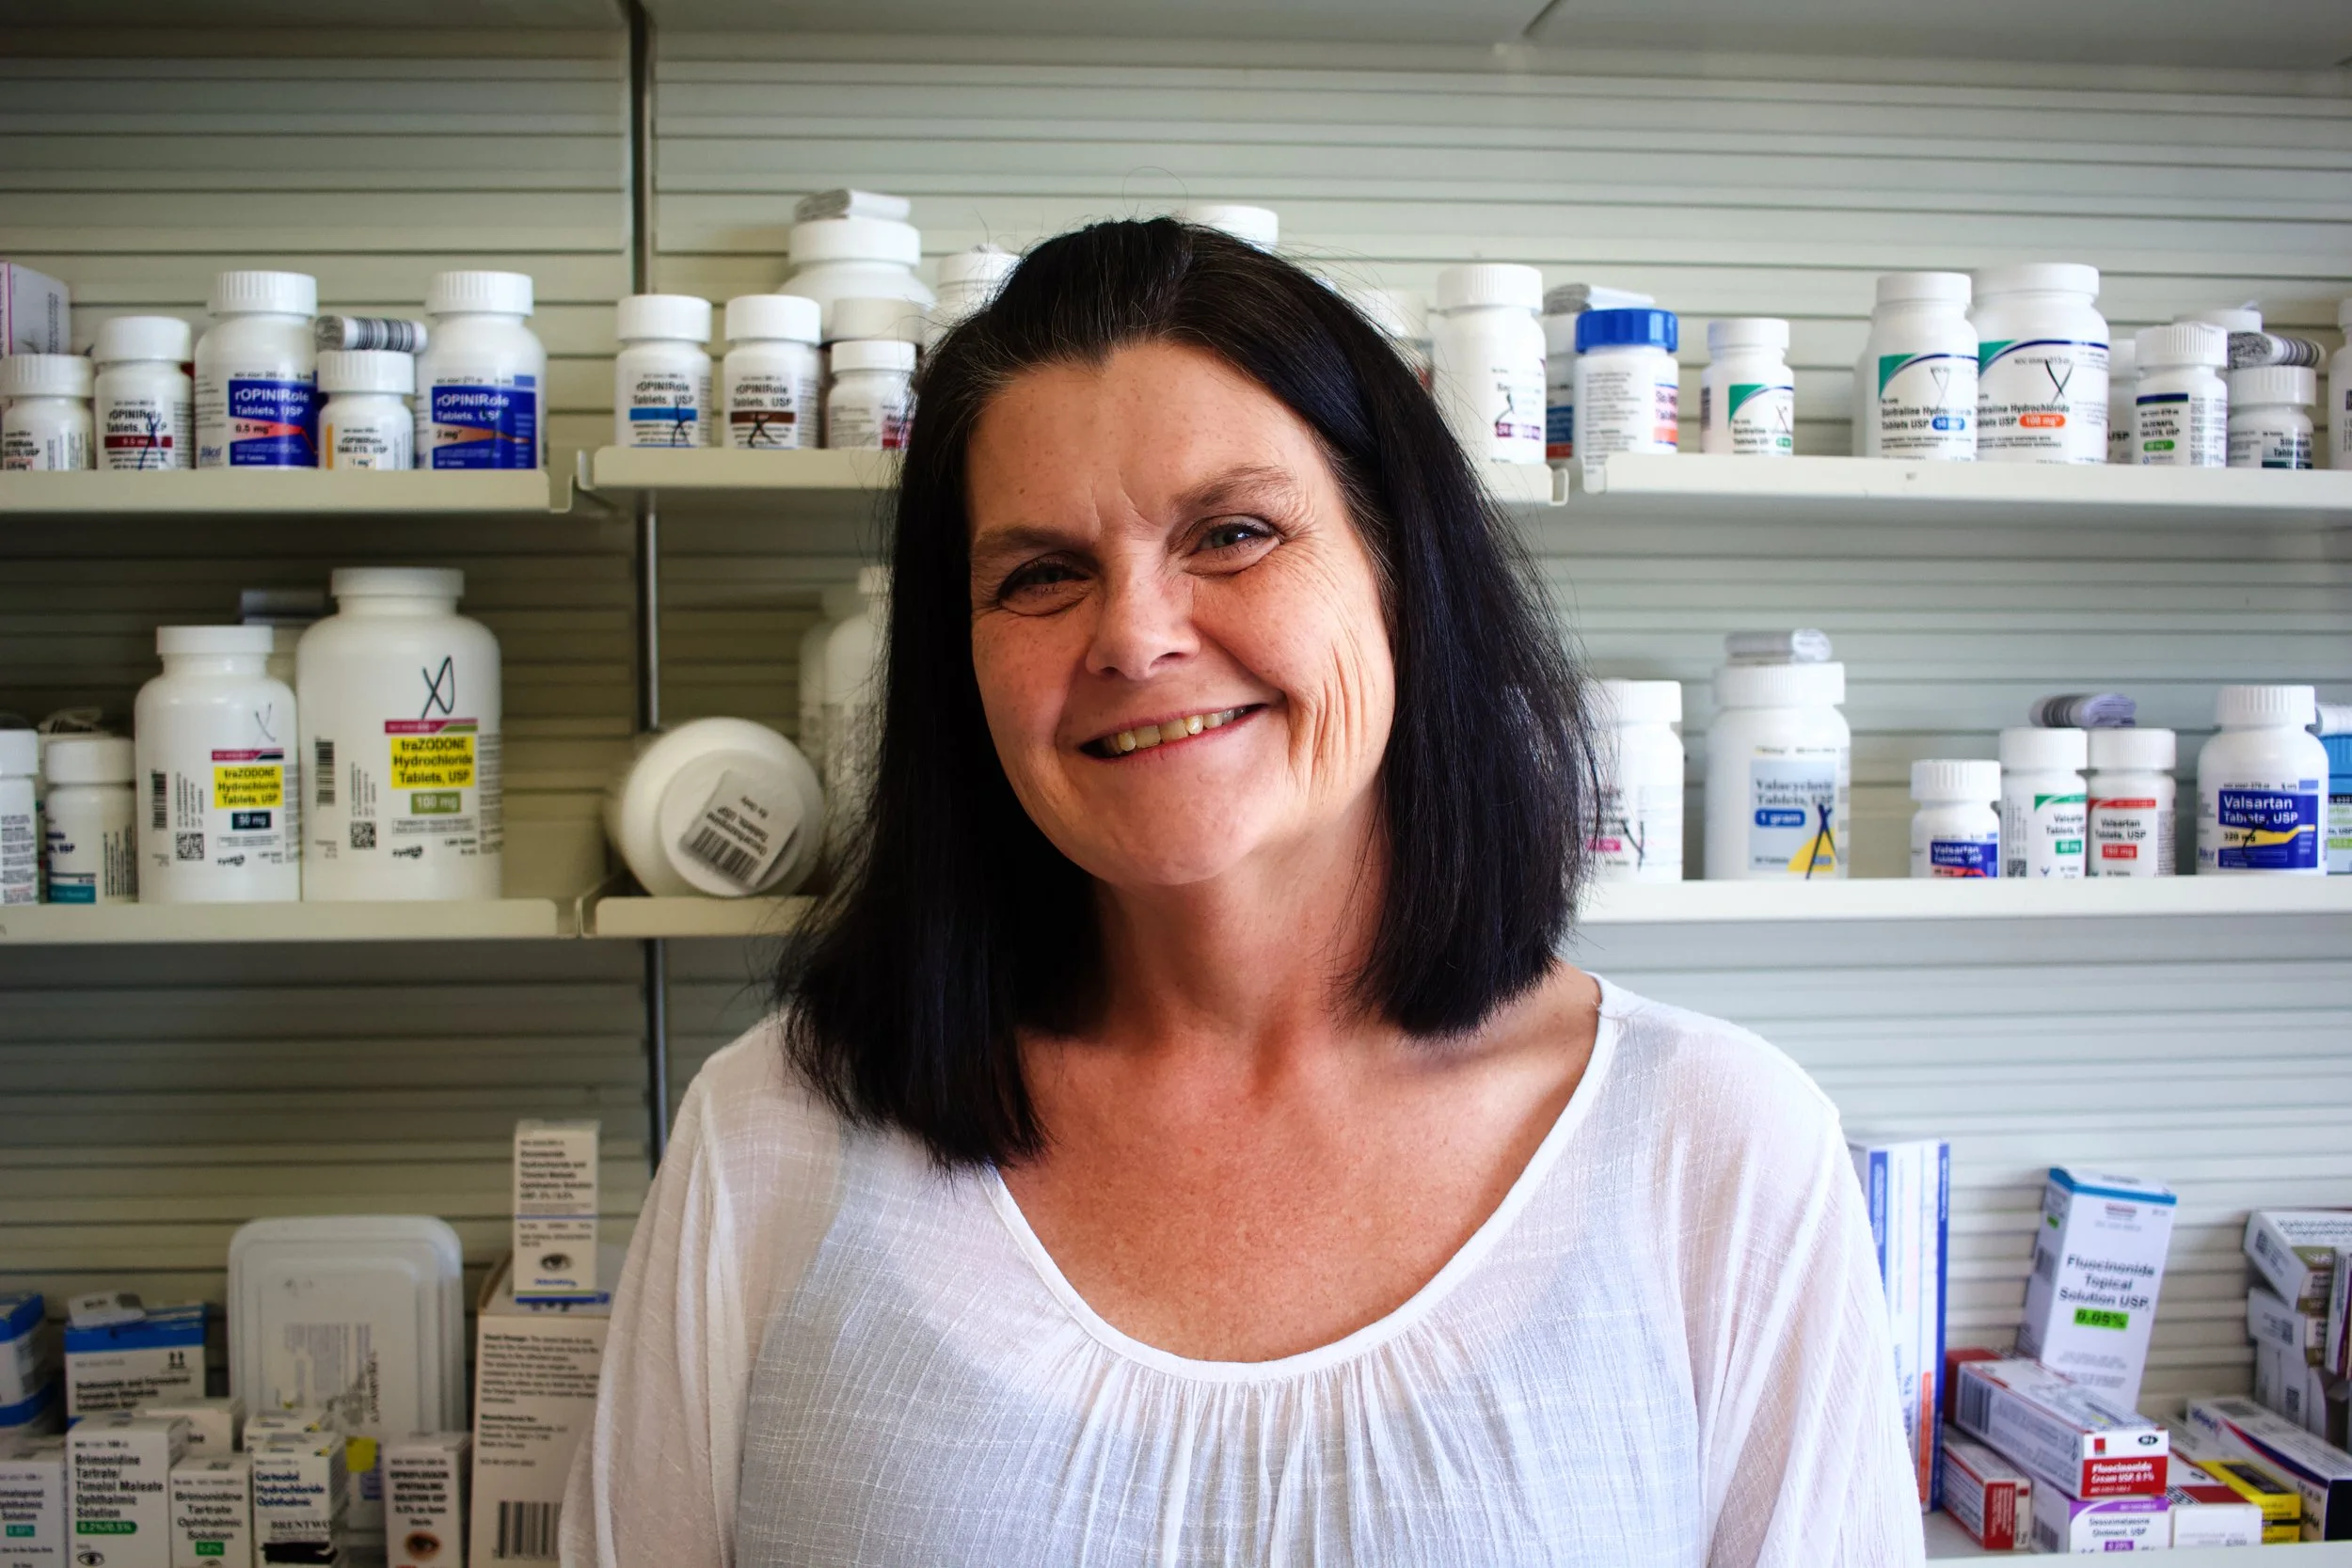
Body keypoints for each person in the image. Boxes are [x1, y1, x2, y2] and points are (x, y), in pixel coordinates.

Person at [564, 218, 1924, 1566]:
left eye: (1230, 531)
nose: (1138, 637)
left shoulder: (1719, 1151)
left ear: (1403, 577)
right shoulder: (775, 1131)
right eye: (1041, 573)